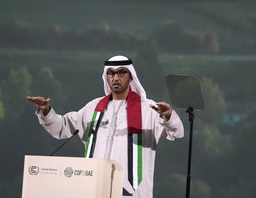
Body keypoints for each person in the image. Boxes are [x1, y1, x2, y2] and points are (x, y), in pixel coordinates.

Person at [27, 55, 184, 198]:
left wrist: (169, 116)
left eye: (121, 73)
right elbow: (62, 128)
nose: (116, 77)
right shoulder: (93, 108)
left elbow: (177, 132)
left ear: (131, 77)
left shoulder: (148, 109)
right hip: (94, 190)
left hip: (132, 194)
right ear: (106, 77)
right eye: (111, 73)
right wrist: (45, 111)